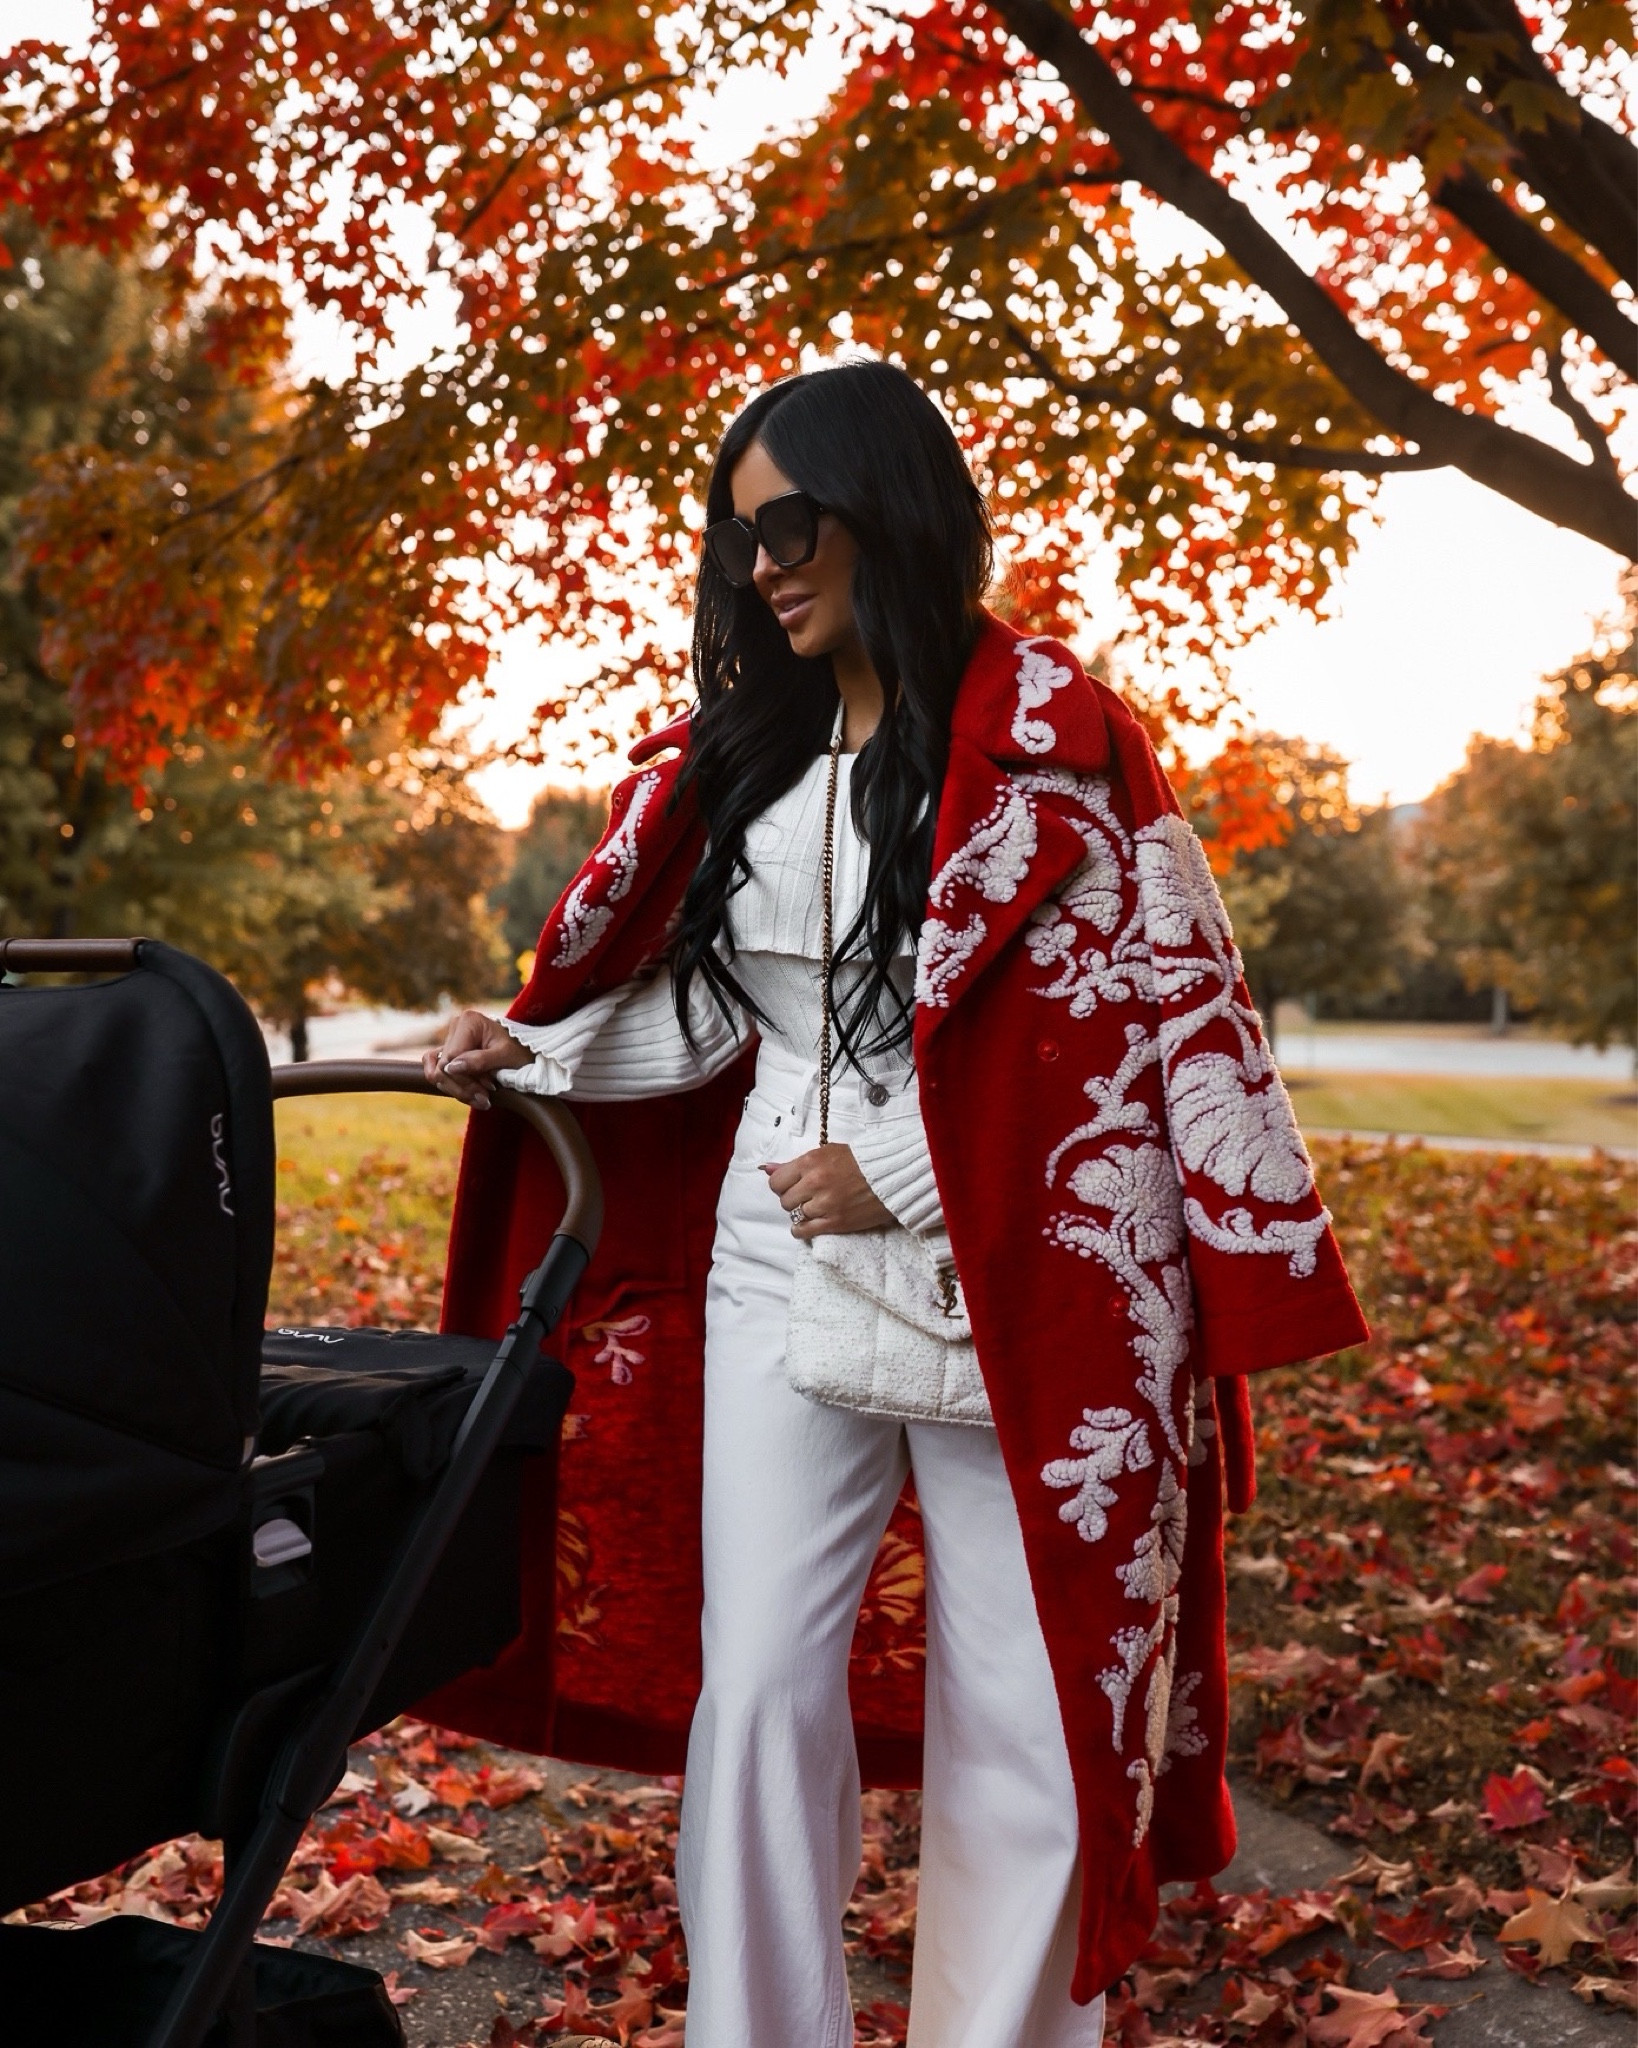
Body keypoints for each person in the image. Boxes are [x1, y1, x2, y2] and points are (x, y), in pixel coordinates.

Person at [426, 360, 1368, 2048]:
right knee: (761, 1688)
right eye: (737, 545)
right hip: (771, 1266)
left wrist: (911, 1177)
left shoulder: (1060, 748)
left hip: (1014, 1286)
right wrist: (540, 1049)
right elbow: (723, 1017)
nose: (761, 568)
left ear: (890, 509)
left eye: (790, 525)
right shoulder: (747, 764)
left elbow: (1120, 1041)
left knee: (1017, 1699)